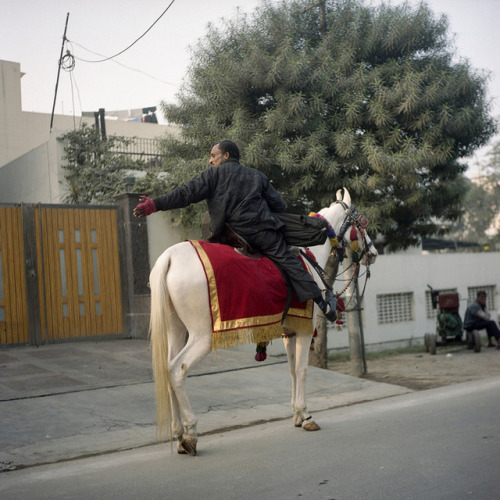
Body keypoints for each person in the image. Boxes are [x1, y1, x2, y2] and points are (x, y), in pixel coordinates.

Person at [133, 140, 337, 321]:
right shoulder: (257, 176)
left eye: (213, 155)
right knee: (289, 260)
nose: (210, 161)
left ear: (226, 155)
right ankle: (324, 305)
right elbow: (280, 205)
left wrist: (155, 205)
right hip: (263, 233)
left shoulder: (212, 175)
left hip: (230, 236)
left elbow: (185, 194)